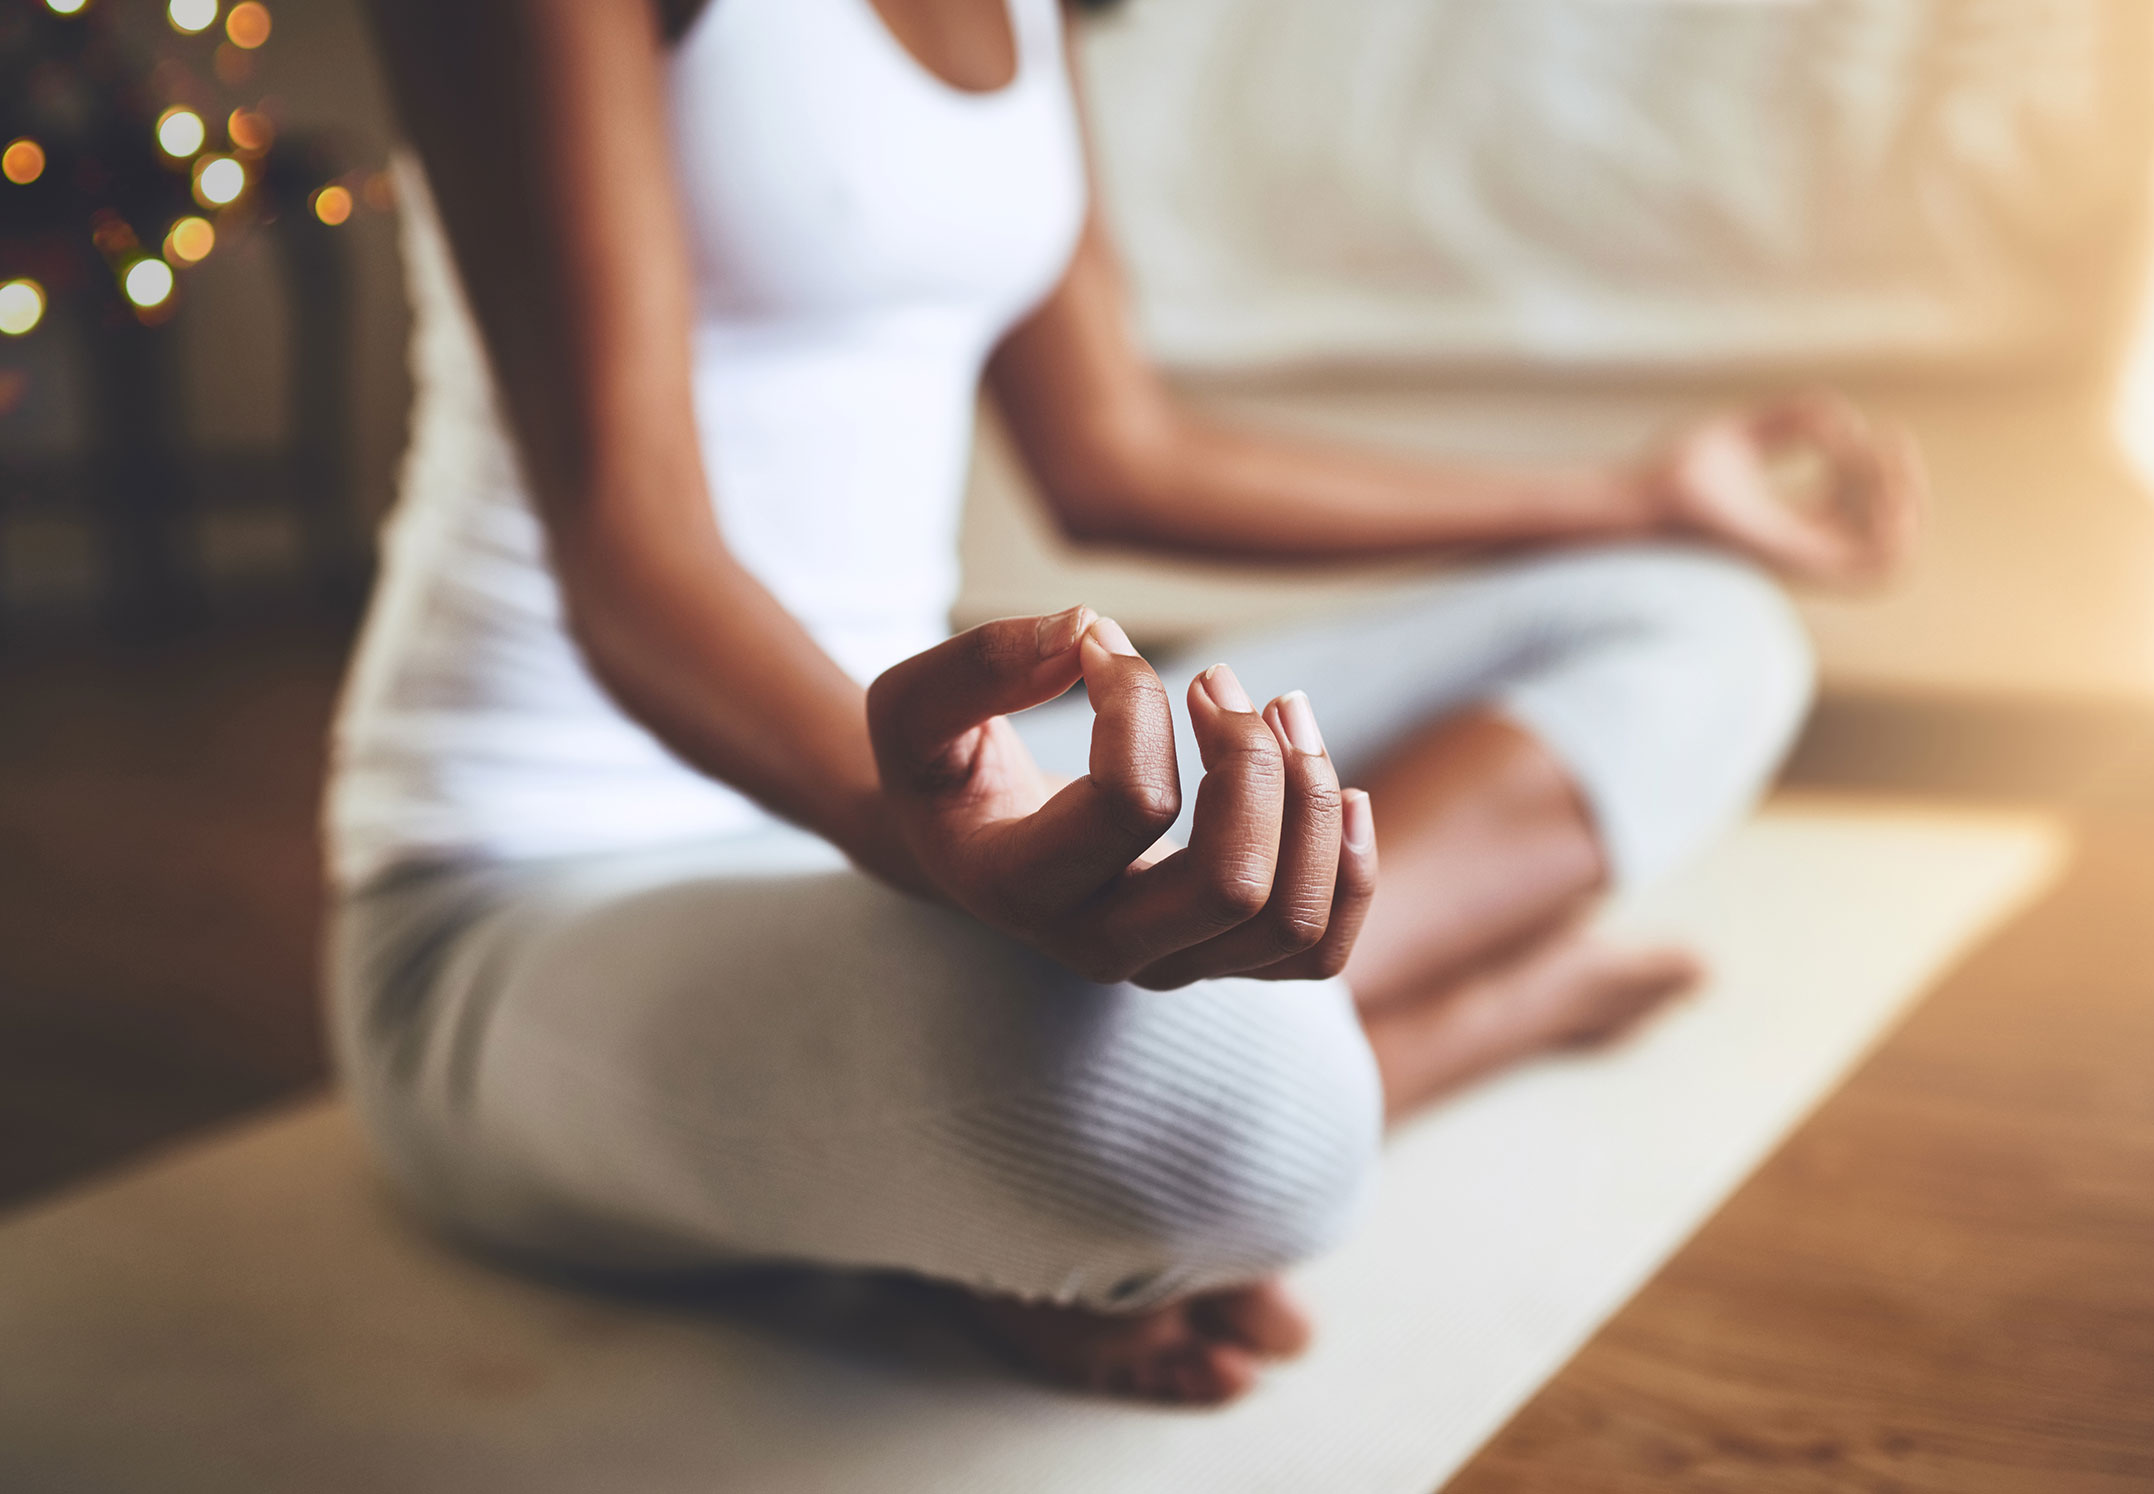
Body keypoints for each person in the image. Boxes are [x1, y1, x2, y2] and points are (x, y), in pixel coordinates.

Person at [330, 0, 1921, 1406]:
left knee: (1698, 618)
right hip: (533, 886)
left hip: (926, 794)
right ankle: (1443, 1012)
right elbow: (634, 555)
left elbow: (1124, 453)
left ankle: (1147, 1087)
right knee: (1256, 1127)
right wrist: (928, 834)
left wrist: (1635, 494)